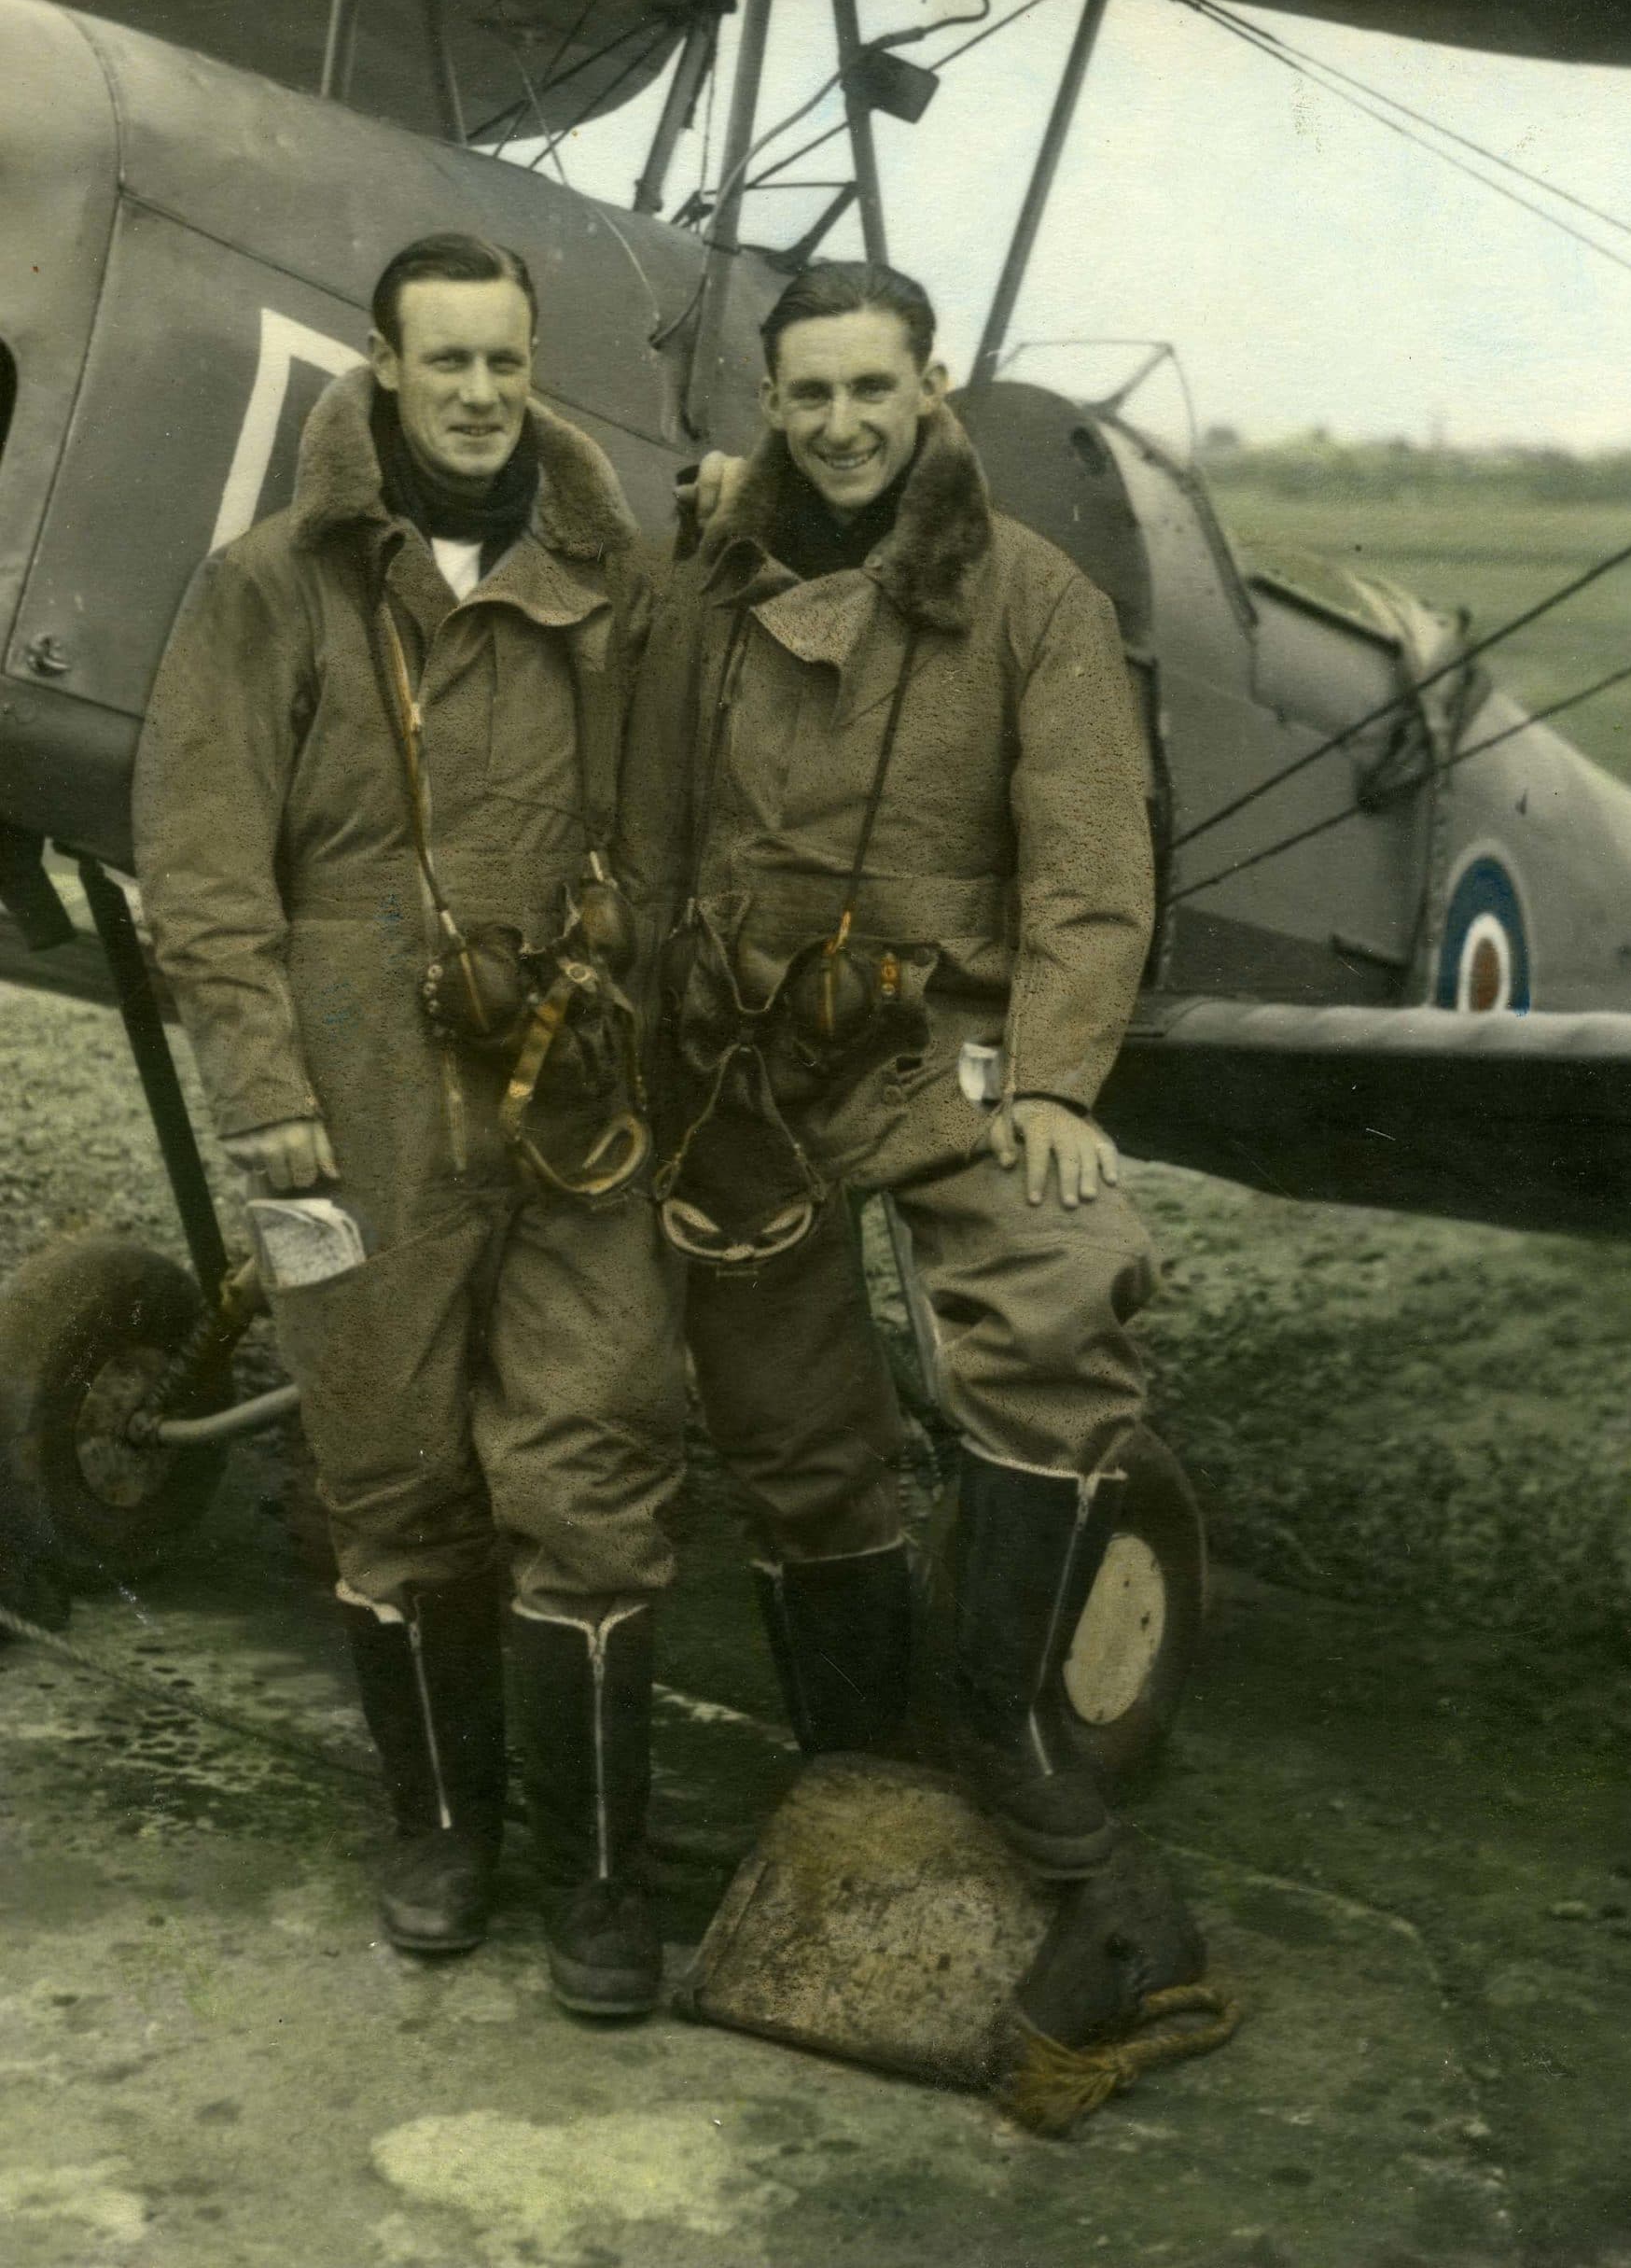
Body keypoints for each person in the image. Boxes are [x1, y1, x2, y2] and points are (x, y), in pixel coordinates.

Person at [134, 232, 684, 2017]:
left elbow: (685, 807)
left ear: (536, 371)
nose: (474, 394)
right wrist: (267, 1096)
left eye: (504, 363)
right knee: (383, 1468)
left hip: (569, 1076)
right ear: (379, 369)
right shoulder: (268, 589)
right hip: (349, 1085)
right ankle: (443, 1827)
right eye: (441, 362)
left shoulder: (618, 583)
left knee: (591, 1456)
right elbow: (205, 869)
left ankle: (605, 1880)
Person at [623, 259, 1165, 1880]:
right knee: (783, 1421)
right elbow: (649, 826)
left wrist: (1058, 1082)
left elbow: (1088, 865)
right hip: (738, 1057)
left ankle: (1002, 1726)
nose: (843, 424)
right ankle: (857, 1763)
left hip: (947, 1047)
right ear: (769, 405)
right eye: (809, 395)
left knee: (1062, 1288)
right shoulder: (704, 585)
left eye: (874, 389)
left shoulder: (1032, 599)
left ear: (933, 387)